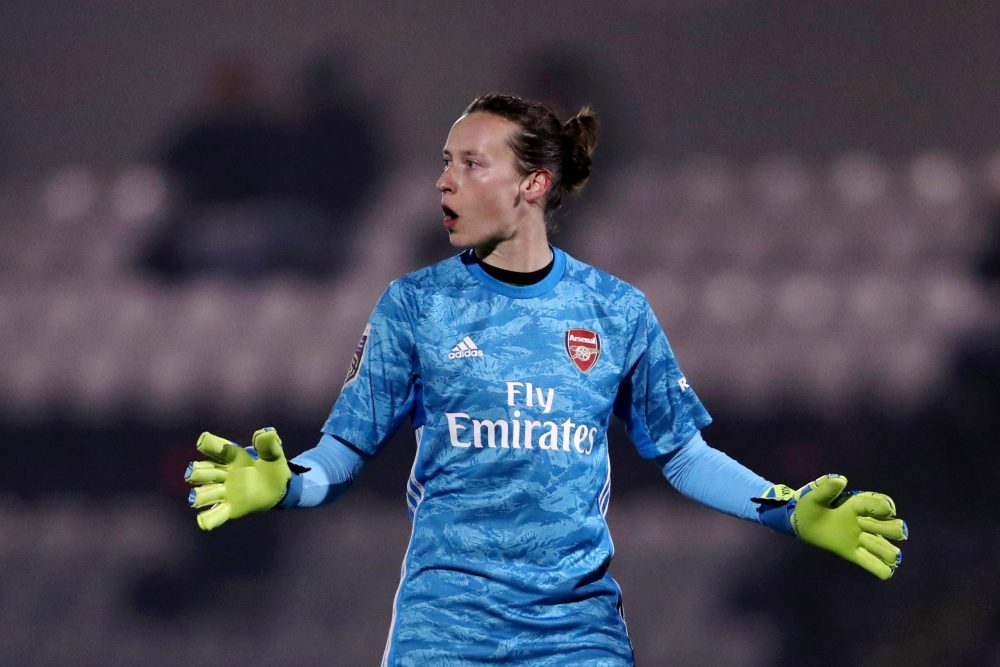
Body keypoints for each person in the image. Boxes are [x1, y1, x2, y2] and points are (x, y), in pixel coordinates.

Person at [185, 93, 908, 665]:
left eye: (472, 163)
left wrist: (786, 504)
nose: (443, 180)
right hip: (446, 633)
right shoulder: (415, 306)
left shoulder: (616, 311)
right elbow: (340, 455)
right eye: (444, 161)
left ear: (534, 183)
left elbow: (684, 454)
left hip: (575, 635)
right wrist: (286, 483)